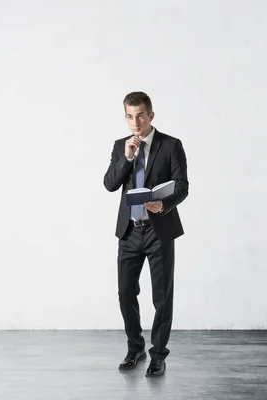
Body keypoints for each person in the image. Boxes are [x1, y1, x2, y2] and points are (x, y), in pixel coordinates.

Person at [103, 91, 188, 377]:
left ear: (151, 115)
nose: (135, 122)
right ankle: (135, 347)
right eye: (130, 116)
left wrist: (163, 204)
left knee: (162, 297)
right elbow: (110, 184)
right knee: (125, 292)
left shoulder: (171, 145)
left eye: (140, 115)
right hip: (129, 232)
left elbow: (182, 186)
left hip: (158, 230)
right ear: (125, 117)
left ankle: (158, 355)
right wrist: (127, 158)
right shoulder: (120, 146)